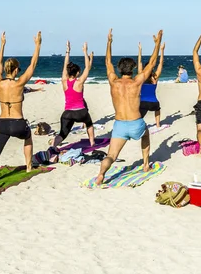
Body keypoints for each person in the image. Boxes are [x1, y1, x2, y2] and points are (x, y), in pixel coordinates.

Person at [95, 29, 163, 186]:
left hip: (119, 124)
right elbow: (152, 63)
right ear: (132, 70)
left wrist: (109, 42)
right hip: (135, 123)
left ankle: (101, 174)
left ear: (119, 69)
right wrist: (157, 43)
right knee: (145, 135)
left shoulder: (113, 81)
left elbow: (107, 61)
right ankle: (146, 164)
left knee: (111, 155)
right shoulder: (136, 82)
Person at [0, 31, 41, 183]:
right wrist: (37, 45)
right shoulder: (19, 84)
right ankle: (29, 166)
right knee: (28, 138)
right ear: (17, 70)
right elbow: (33, 65)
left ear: (6, 70)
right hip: (18, 123)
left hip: (2, 124)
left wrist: (2, 45)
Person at [50, 41, 95, 148]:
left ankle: (53, 146)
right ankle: (92, 143)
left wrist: (68, 51)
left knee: (63, 133)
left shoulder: (64, 81)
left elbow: (65, 67)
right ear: (77, 73)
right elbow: (87, 67)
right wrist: (85, 52)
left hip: (67, 113)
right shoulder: (79, 82)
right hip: (81, 112)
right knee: (89, 124)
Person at [137, 40, 165, 128]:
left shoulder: (141, 77)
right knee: (158, 109)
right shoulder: (154, 78)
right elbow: (160, 64)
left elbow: (140, 63)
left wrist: (140, 50)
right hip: (154, 103)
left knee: (139, 117)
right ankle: (158, 124)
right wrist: (162, 50)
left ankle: (139, 124)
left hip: (142, 103)